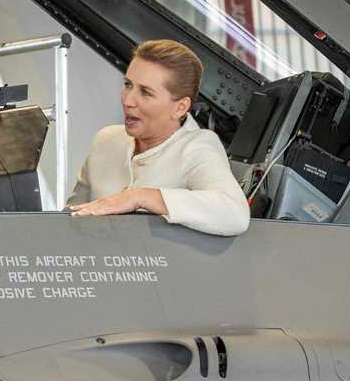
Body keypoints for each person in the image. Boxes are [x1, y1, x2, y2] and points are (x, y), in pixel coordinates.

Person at [66, 39, 250, 237]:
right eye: (128, 85)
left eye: (145, 93)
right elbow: (70, 220)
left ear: (180, 107)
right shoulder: (106, 140)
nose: (128, 101)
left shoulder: (197, 147)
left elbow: (235, 214)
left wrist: (141, 197)